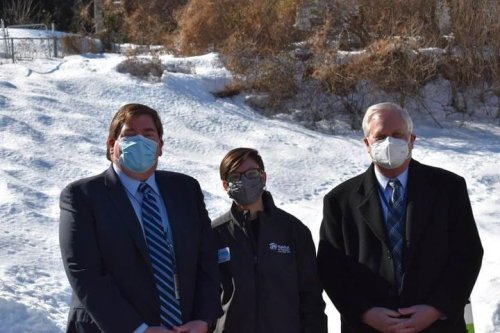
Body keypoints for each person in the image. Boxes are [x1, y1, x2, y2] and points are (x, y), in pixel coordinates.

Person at [317, 102, 483, 333]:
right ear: (367, 144)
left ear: (411, 140)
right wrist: (365, 312)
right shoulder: (340, 200)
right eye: (380, 136)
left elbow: (468, 254)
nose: (389, 143)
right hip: (370, 327)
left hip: (438, 325)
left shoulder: (448, 188)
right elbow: (331, 268)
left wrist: (435, 308)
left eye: (397, 135)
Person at [59, 103, 222, 333]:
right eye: (129, 134)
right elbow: (85, 273)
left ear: (160, 146)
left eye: (148, 134)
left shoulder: (185, 189)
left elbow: (206, 259)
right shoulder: (83, 196)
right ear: (112, 145)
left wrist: (205, 319)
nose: (139, 141)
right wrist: (137, 329)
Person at [211, 147, 328, 333]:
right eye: (235, 177)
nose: (244, 181)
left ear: (263, 177)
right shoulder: (214, 234)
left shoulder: (293, 231)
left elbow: (311, 297)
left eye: (251, 173)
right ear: (225, 185)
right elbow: (205, 298)